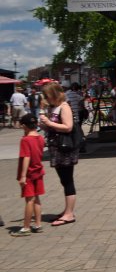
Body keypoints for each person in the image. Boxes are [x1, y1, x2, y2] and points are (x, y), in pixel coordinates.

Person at [38, 82, 79, 226]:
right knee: (64, 180)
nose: (46, 99)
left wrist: (49, 123)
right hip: (56, 148)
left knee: (68, 180)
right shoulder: (54, 107)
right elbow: (48, 126)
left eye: (48, 96)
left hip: (65, 149)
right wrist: (43, 117)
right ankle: (67, 210)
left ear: (55, 94)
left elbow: (68, 127)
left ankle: (69, 214)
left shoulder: (64, 107)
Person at [11, 113, 45, 236]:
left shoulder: (25, 140)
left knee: (29, 200)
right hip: (39, 171)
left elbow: (26, 157)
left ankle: (26, 227)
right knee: (36, 199)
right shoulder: (40, 138)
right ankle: (38, 224)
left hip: (29, 174)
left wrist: (23, 176)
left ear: (24, 126)